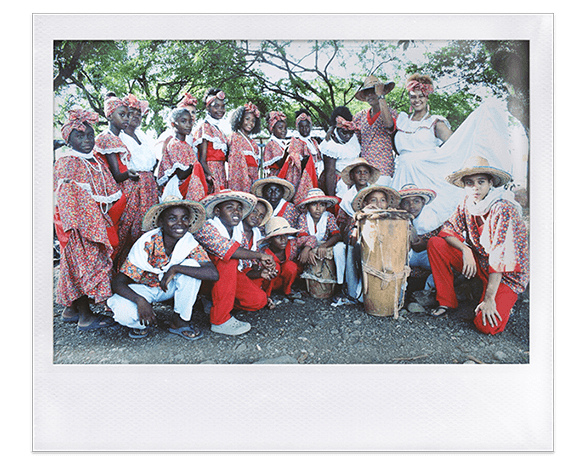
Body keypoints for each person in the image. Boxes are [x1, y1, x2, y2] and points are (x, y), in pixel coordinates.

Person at [392, 73, 515, 224]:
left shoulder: (435, 122)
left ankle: (430, 243)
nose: (417, 100)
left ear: (427, 98)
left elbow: (455, 145)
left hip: (427, 173)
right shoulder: (402, 120)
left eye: (421, 96)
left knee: (427, 212)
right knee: (400, 212)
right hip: (403, 171)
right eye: (413, 97)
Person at [426, 156, 529, 335]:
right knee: (436, 243)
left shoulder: (503, 209)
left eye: (481, 182)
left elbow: (500, 259)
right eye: (470, 183)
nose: (475, 187)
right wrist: (465, 249)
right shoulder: (467, 204)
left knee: (486, 326)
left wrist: (490, 299)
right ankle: (447, 301)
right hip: (481, 264)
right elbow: (448, 229)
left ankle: (496, 298)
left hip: (505, 274)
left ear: (490, 183)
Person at [108, 196, 218, 339]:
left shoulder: (188, 242)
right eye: (172, 218)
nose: (179, 223)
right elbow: (118, 282)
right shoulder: (147, 243)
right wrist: (139, 300)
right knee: (123, 313)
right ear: (161, 222)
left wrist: (175, 269)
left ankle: (180, 322)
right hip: (144, 288)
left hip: (167, 287)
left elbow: (213, 273)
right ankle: (142, 324)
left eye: (184, 218)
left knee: (191, 266)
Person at [54, 108, 124, 331]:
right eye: (80, 136)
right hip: (77, 225)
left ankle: (71, 309)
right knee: (81, 265)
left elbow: (110, 190)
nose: (87, 140)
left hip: (95, 221)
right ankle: (85, 316)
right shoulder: (67, 162)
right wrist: (82, 228)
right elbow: (66, 200)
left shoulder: (95, 161)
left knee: (76, 266)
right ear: (69, 139)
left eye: (90, 135)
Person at [194, 190, 276, 336]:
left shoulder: (239, 234)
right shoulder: (206, 227)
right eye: (230, 207)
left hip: (222, 280)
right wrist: (259, 255)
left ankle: (214, 302)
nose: (236, 212)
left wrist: (262, 268)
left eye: (239, 208)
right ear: (218, 211)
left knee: (259, 300)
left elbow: (246, 265)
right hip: (201, 279)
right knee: (228, 260)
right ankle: (220, 320)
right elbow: (228, 250)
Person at [93, 93, 140, 269]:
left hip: (124, 191)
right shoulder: (107, 138)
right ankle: (106, 271)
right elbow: (116, 175)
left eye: (128, 114)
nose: (126, 119)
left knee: (126, 234)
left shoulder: (116, 137)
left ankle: (119, 270)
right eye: (122, 114)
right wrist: (131, 174)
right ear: (109, 115)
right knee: (118, 234)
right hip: (117, 195)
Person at [335, 159, 381, 301]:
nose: (362, 175)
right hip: (352, 234)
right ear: (353, 176)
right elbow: (341, 223)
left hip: (376, 232)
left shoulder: (376, 192)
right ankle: (346, 286)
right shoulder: (347, 199)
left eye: (365, 172)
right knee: (343, 248)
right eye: (358, 172)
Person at [352, 75, 398, 185]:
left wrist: (381, 96)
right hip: (364, 170)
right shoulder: (360, 116)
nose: (369, 95)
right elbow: (353, 139)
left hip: (383, 168)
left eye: (373, 91)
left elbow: (389, 125)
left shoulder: (390, 113)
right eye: (366, 93)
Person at [253, 217, 313, 298]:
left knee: (290, 265)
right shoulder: (263, 253)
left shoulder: (292, 244)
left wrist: (306, 249)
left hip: (285, 280)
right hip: (270, 282)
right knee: (275, 266)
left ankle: (287, 290)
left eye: (285, 235)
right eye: (278, 237)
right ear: (270, 240)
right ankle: (267, 295)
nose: (283, 239)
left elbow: (312, 238)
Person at [157, 107, 208, 202]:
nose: (188, 125)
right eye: (183, 121)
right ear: (173, 124)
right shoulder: (174, 144)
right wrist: (194, 167)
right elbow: (181, 174)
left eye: (190, 121)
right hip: (178, 189)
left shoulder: (187, 146)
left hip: (189, 186)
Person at [295, 188, 345, 285]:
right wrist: (308, 249)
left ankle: (339, 282)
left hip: (323, 247)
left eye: (322, 205)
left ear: (326, 207)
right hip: (306, 248)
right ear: (307, 206)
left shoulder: (328, 216)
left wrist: (324, 245)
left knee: (340, 248)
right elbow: (302, 237)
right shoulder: (303, 217)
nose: (318, 208)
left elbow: (337, 235)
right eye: (314, 204)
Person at [398, 183, 441, 293]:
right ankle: (399, 294)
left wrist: (415, 239)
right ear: (400, 205)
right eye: (406, 203)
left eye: (416, 201)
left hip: (426, 255)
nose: (411, 206)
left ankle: (429, 292)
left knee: (442, 265)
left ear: (423, 202)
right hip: (408, 257)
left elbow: (422, 246)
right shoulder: (398, 218)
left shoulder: (431, 218)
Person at [278, 109, 320, 203]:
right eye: (301, 127)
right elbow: (294, 163)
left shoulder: (314, 142)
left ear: (310, 126)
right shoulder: (296, 142)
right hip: (301, 178)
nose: (305, 129)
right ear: (297, 128)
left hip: (314, 175)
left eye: (307, 126)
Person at [320, 106, 362, 197]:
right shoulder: (330, 145)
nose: (348, 136)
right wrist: (332, 199)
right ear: (336, 129)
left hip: (356, 180)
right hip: (339, 184)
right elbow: (330, 174)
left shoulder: (354, 138)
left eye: (350, 133)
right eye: (344, 133)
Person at [193, 88, 229, 192]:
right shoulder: (205, 128)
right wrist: (210, 175)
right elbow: (202, 159)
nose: (220, 110)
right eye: (216, 106)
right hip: (211, 171)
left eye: (223, 106)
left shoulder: (220, 131)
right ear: (208, 108)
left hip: (221, 171)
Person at [227, 102, 262, 192]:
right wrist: (245, 181)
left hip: (253, 180)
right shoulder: (235, 137)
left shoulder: (253, 143)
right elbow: (236, 163)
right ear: (240, 119)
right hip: (241, 179)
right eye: (247, 119)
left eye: (253, 121)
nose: (250, 123)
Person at [262, 111, 289, 177]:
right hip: (277, 177)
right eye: (280, 128)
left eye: (285, 128)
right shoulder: (272, 144)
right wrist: (287, 153)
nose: (283, 130)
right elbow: (280, 163)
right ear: (272, 129)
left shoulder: (282, 143)